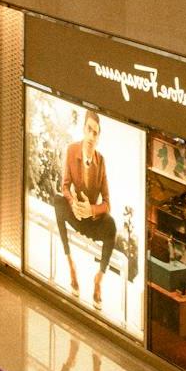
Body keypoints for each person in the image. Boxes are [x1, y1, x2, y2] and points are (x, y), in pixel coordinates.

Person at [53, 111, 120, 305]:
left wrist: (91, 210)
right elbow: (65, 186)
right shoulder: (72, 150)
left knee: (112, 225)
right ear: (83, 130)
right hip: (75, 214)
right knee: (58, 201)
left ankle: (99, 278)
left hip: (91, 220)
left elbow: (108, 204)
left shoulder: (101, 161)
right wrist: (72, 202)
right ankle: (70, 264)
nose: (91, 136)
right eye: (89, 130)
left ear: (98, 138)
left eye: (95, 133)